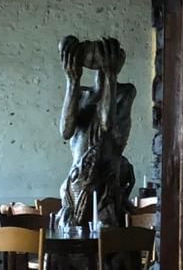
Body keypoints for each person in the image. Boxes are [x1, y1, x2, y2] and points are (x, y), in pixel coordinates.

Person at [57, 34, 137, 231]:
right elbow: (65, 131)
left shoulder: (125, 92)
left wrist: (110, 77)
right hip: (77, 182)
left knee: (106, 236)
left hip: (106, 185)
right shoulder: (81, 95)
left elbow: (106, 124)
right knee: (71, 237)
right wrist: (72, 81)